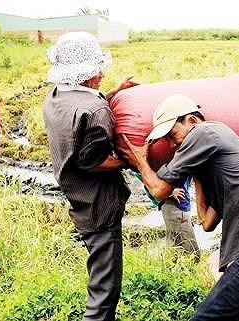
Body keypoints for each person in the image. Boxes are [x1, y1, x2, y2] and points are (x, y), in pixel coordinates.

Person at [121, 94, 239, 321]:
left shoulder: (204, 132)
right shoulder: (220, 161)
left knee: (207, 317)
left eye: (172, 135)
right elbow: (207, 222)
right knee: (234, 314)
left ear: (191, 121)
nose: (172, 145)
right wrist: (195, 172)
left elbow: (159, 190)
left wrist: (140, 161)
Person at [42, 31, 137, 321]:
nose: (102, 73)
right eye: (98, 69)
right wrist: (131, 159)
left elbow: (82, 117)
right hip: (100, 207)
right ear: (87, 72)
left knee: (99, 275)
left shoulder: (57, 97)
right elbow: (93, 161)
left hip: (78, 198)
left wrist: (112, 93)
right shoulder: (95, 110)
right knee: (105, 292)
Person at [137, 174, 201, 261]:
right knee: (191, 252)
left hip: (178, 205)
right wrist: (170, 191)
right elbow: (142, 172)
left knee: (175, 247)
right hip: (173, 205)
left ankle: (169, 272)